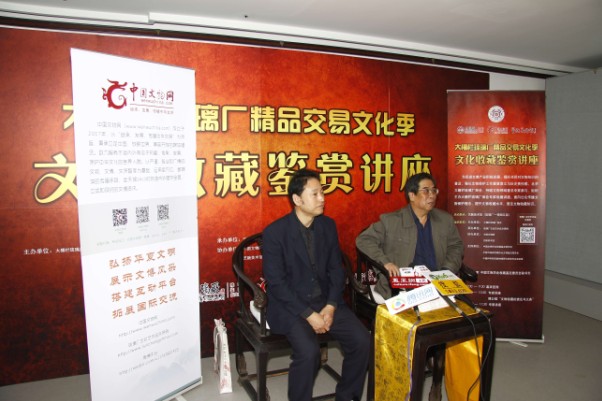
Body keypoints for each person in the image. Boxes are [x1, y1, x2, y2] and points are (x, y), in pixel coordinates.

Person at [262, 168, 370, 401]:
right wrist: (309, 315)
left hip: (325, 301)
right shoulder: (275, 233)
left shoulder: (327, 226)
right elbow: (277, 284)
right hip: (291, 306)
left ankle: (347, 397)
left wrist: (331, 305)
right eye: (315, 194)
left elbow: (336, 270)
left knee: (362, 341)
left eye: (322, 192)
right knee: (309, 352)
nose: (322, 198)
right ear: (297, 199)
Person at [356, 172, 464, 299]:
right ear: (412, 195)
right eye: (426, 191)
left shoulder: (445, 220)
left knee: (464, 310)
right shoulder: (391, 221)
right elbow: (364, 239)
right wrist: (385, 262)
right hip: (403, 287)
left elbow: (456, 246)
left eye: (434, 190)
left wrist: (446, 269)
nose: (432, 195)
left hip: (438, 283)